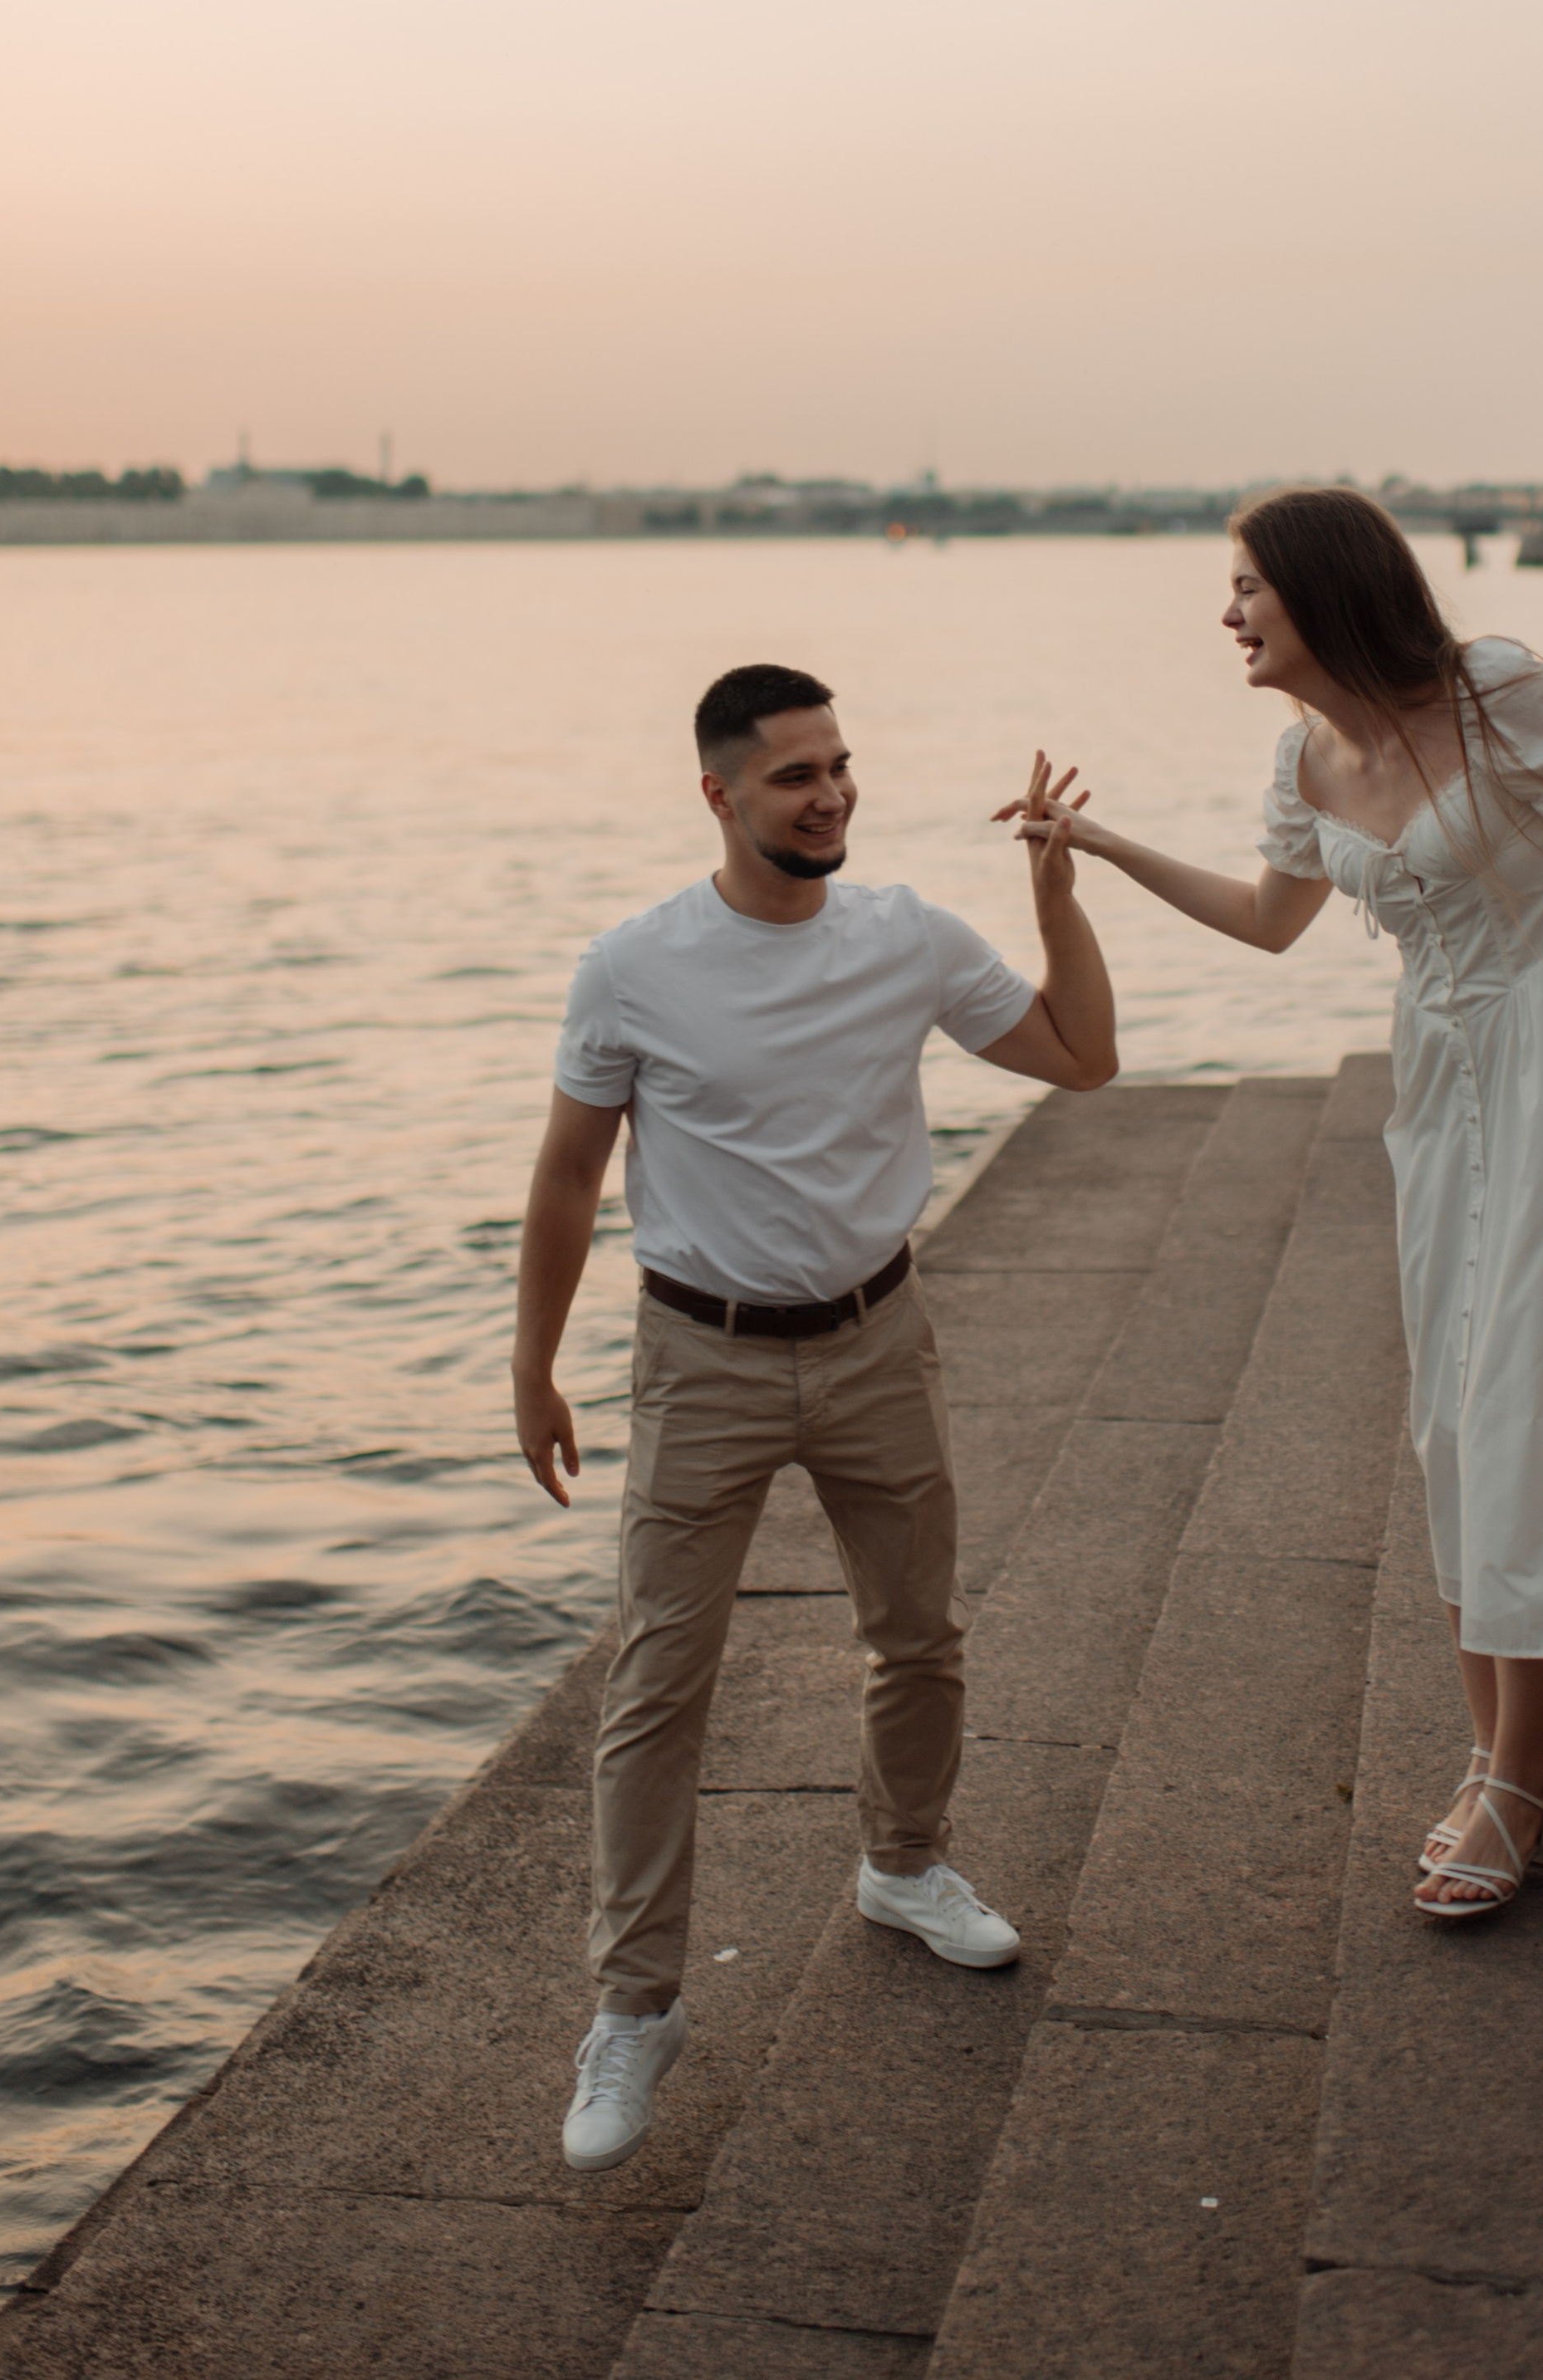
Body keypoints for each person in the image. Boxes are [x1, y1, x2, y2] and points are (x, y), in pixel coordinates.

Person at [1001, 488, 1543, 1925]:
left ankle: (1517, 1782)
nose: (1226, 616)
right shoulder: (1305, 756)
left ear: (1322, 590)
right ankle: (1499, 1763)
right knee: (1450, 1415)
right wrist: (1094, 855)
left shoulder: (1502, 696)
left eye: (1246, 590)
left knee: (1516, 1400)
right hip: (1447, 1079)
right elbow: (1266, 919)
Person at [515, 662, 1116, 2167]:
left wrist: (1054, 892)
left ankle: (904, 1868)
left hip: (875, 1339)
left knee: (920, 1634)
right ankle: (635, 2009)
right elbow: (568, 1176)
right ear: (719, 795)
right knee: (662, 1681)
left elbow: (1079, 1060)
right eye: (794, 775)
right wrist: (531, 1367)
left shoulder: (905, 936)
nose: (831, 793)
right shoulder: (635, 966)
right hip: (699, 1358)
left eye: (840, 764)